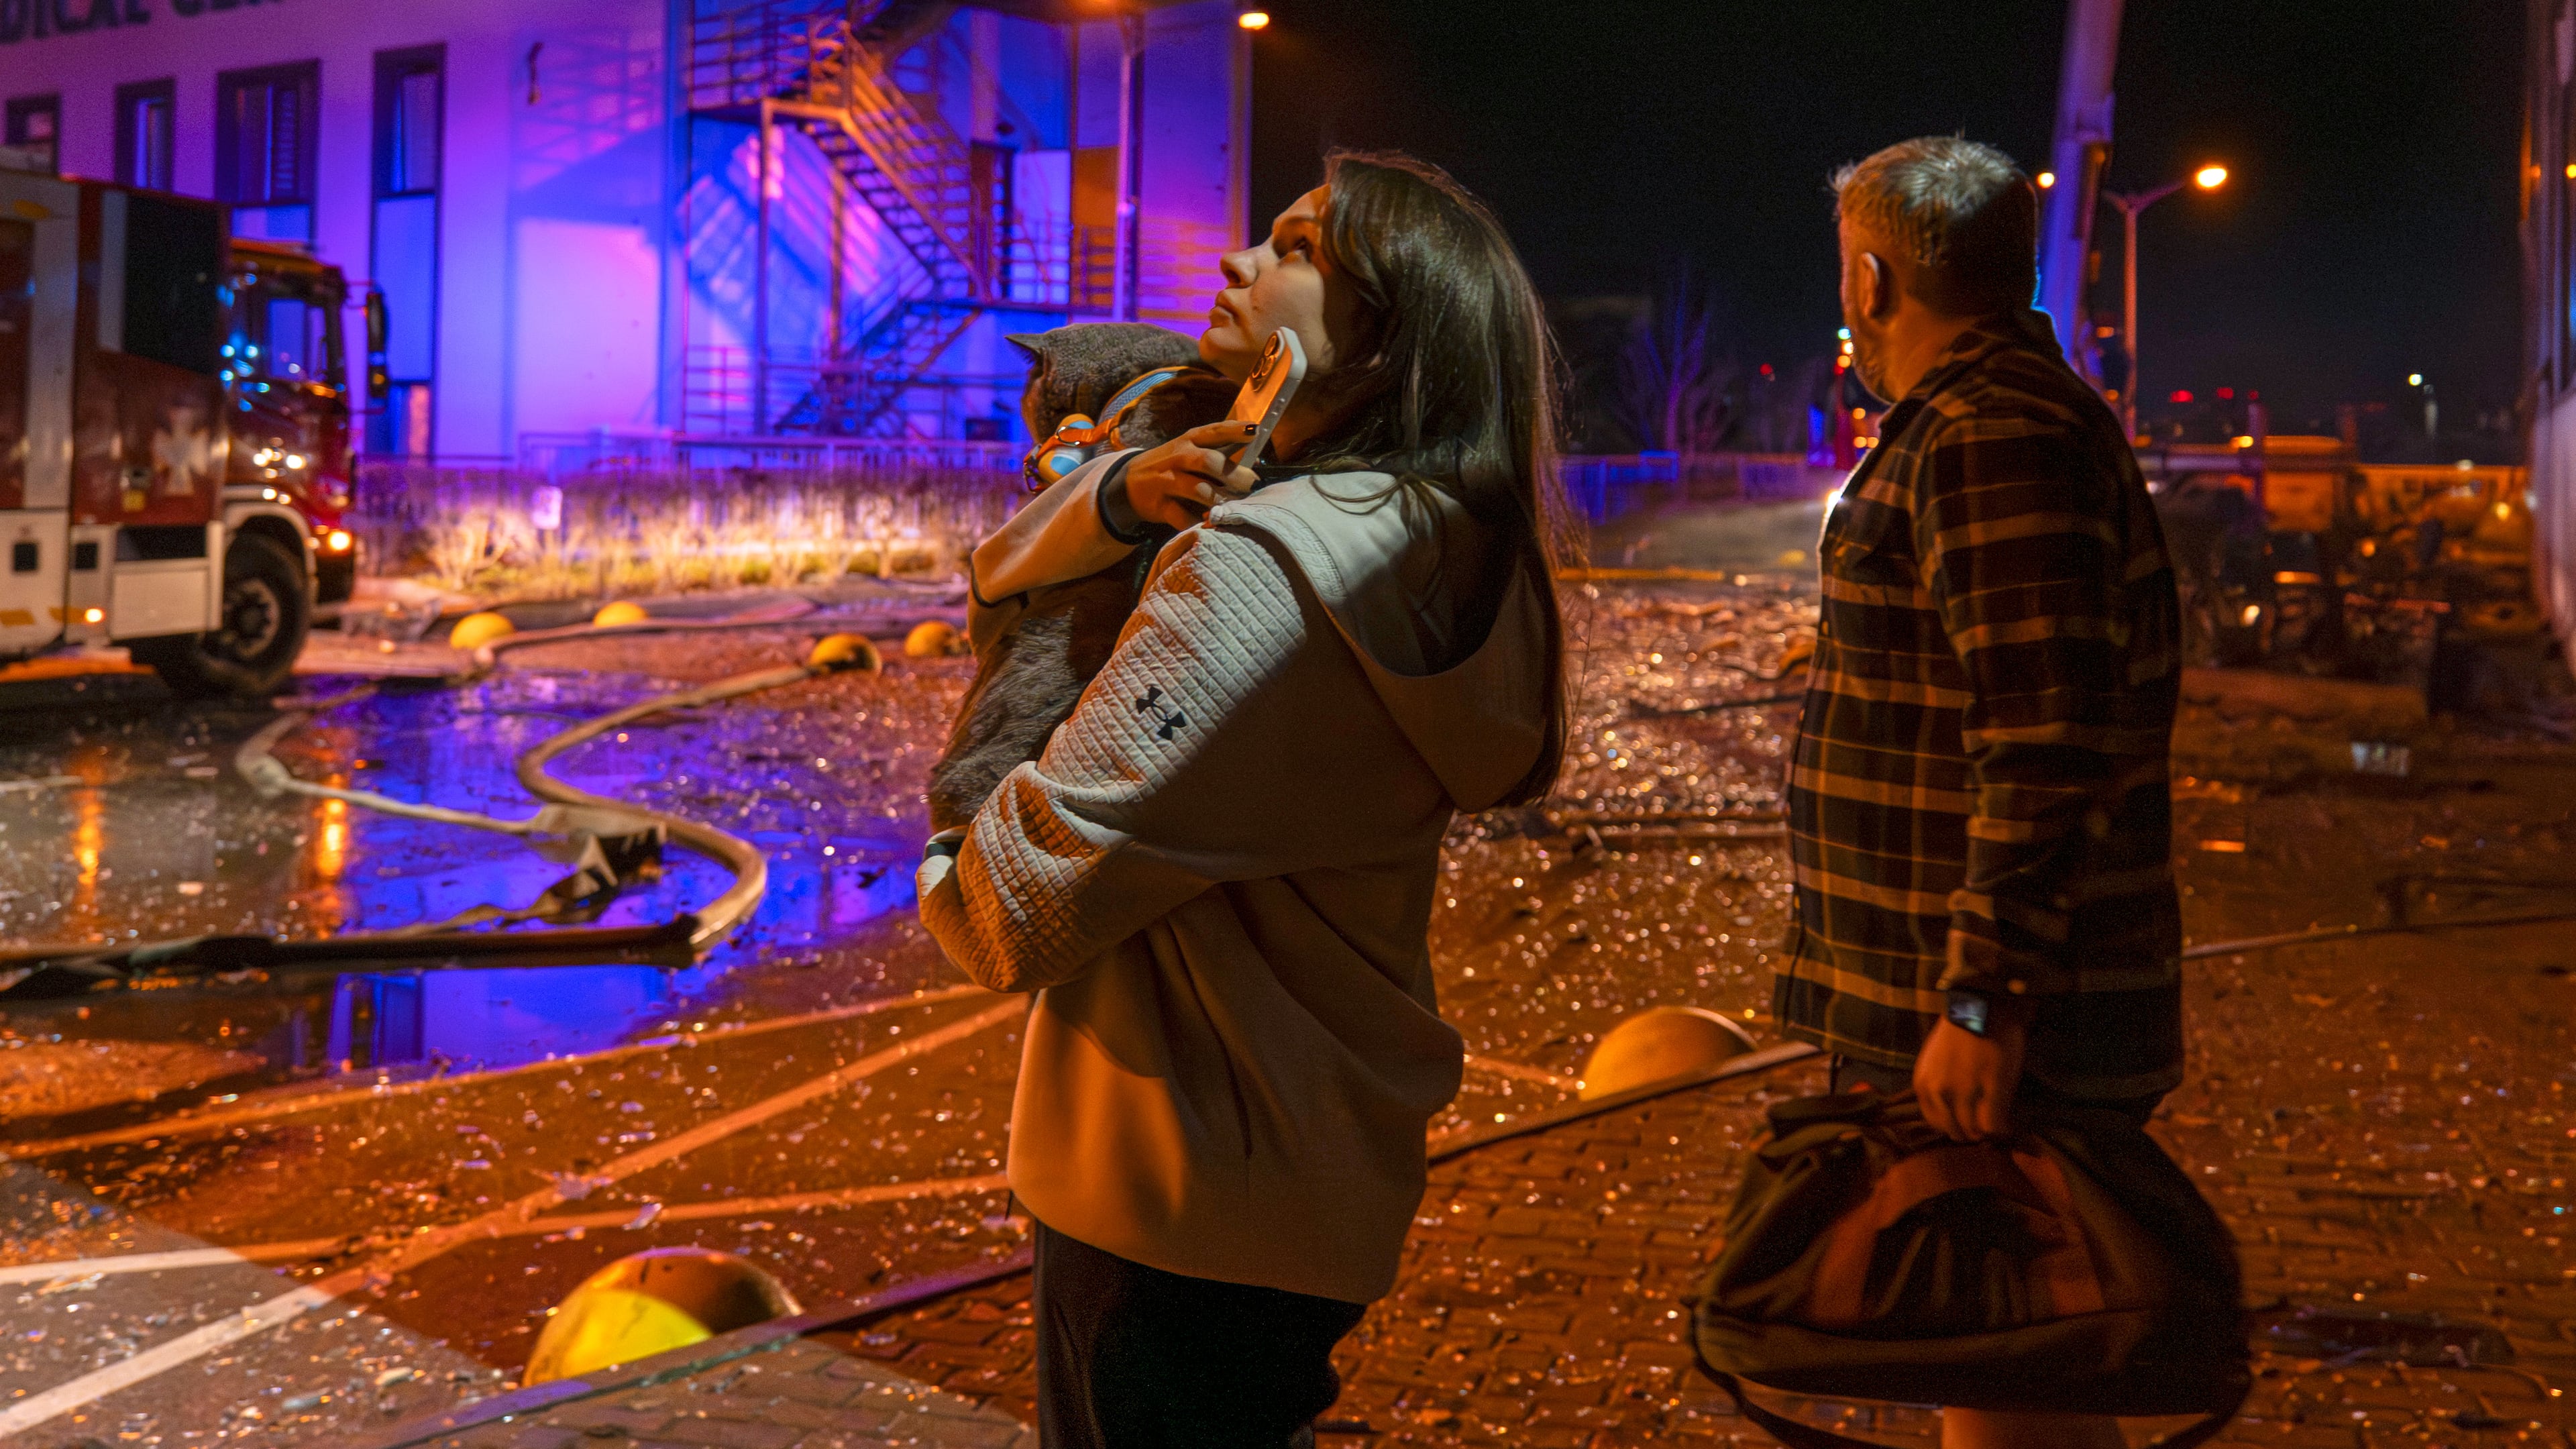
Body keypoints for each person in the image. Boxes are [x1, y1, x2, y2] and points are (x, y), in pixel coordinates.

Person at [916, 150, 1570, 1449]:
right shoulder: (1442, 548)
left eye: (1296, 247)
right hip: (1305, 1181)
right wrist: (1108, 501)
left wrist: (953, 843)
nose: (1238, 263)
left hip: (1165, 1191)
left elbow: (1006, 906)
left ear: (1387, 331)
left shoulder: (1263, 577)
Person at [1772, 136, 2184, 1449]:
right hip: (1963, 1000)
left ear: (1876, 279)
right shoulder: (1988, 425)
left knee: (2014, 1369)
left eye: (1848, 270)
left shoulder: (1991, 433)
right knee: (2004, 1367)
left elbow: (2046, 737)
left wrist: (1980, 996)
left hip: (2002, 1021)